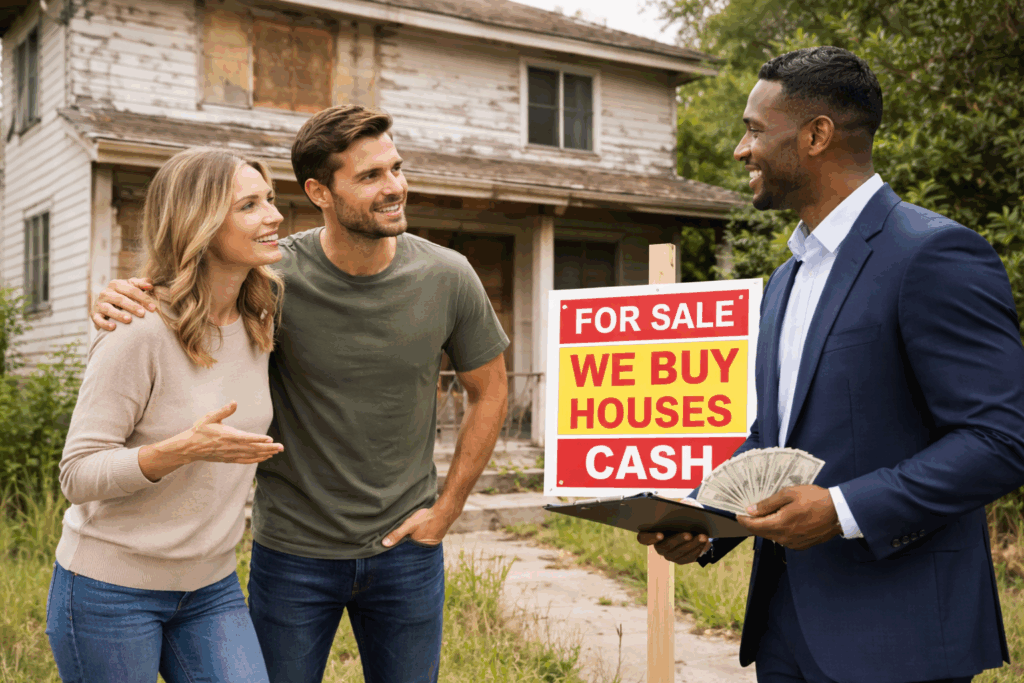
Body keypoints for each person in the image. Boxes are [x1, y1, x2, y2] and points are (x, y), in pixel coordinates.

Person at [639, 46, 1024, 683]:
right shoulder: (788, 279)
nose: (741, 149)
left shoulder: (935, 255)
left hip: (900, 640)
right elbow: (776, 440)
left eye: (756, 129)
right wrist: (707, 524)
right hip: (785, 631)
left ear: (817, 135)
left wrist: (843, 509)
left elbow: (1001, 440)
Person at [90, 105, 510, 683]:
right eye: (370, 177)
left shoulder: (449, 275)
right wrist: (120, 296)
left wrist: (448, 510)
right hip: (292, 555)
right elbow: (186, 288)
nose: (395, 188)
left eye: (396, 168)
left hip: (407, 552)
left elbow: (490, 392)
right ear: (320, 191)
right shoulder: (268, 276)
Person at [46, 147, 286, 682]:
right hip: (110, 592)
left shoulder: (260, 318)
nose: (274, 215)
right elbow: (77, 474)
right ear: (197, 224)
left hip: (212, 587)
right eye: (249, 205)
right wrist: (178, 451)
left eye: (270, 199)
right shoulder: (140, 327)